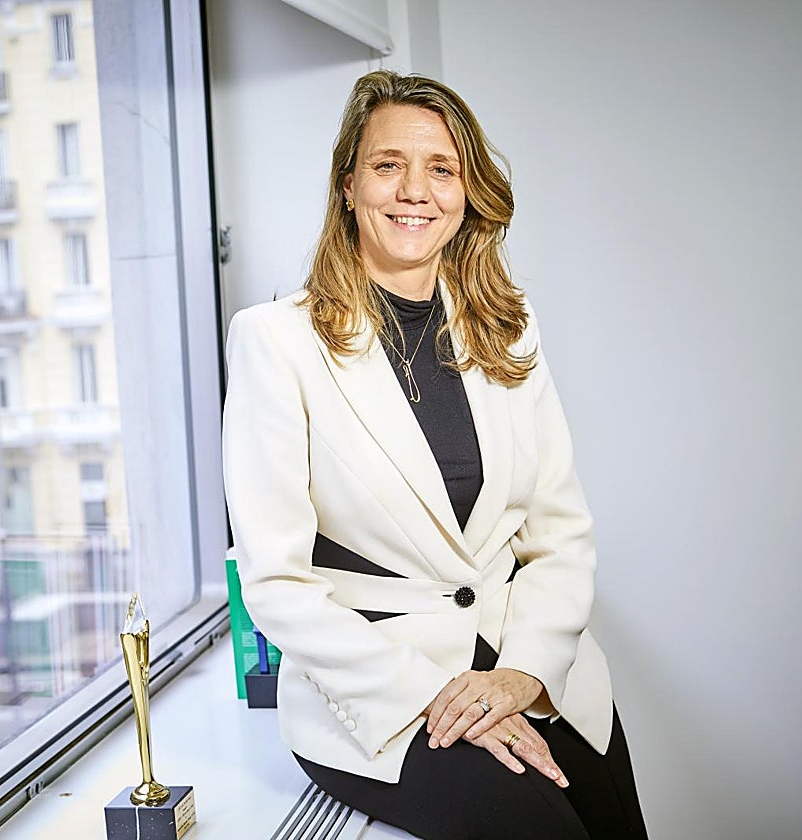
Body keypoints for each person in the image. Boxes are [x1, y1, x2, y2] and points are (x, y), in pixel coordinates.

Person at [221, 70, 648, 839]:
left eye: (441, 169)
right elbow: (277, 585)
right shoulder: (275, 342)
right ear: (348, 185)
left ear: (465, 191)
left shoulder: (508, 327)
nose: (415, 190)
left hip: (526, 660)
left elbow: (560, 535)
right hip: (384, 689)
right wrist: (433, 693)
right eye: (388, 165)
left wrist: (522, 674)